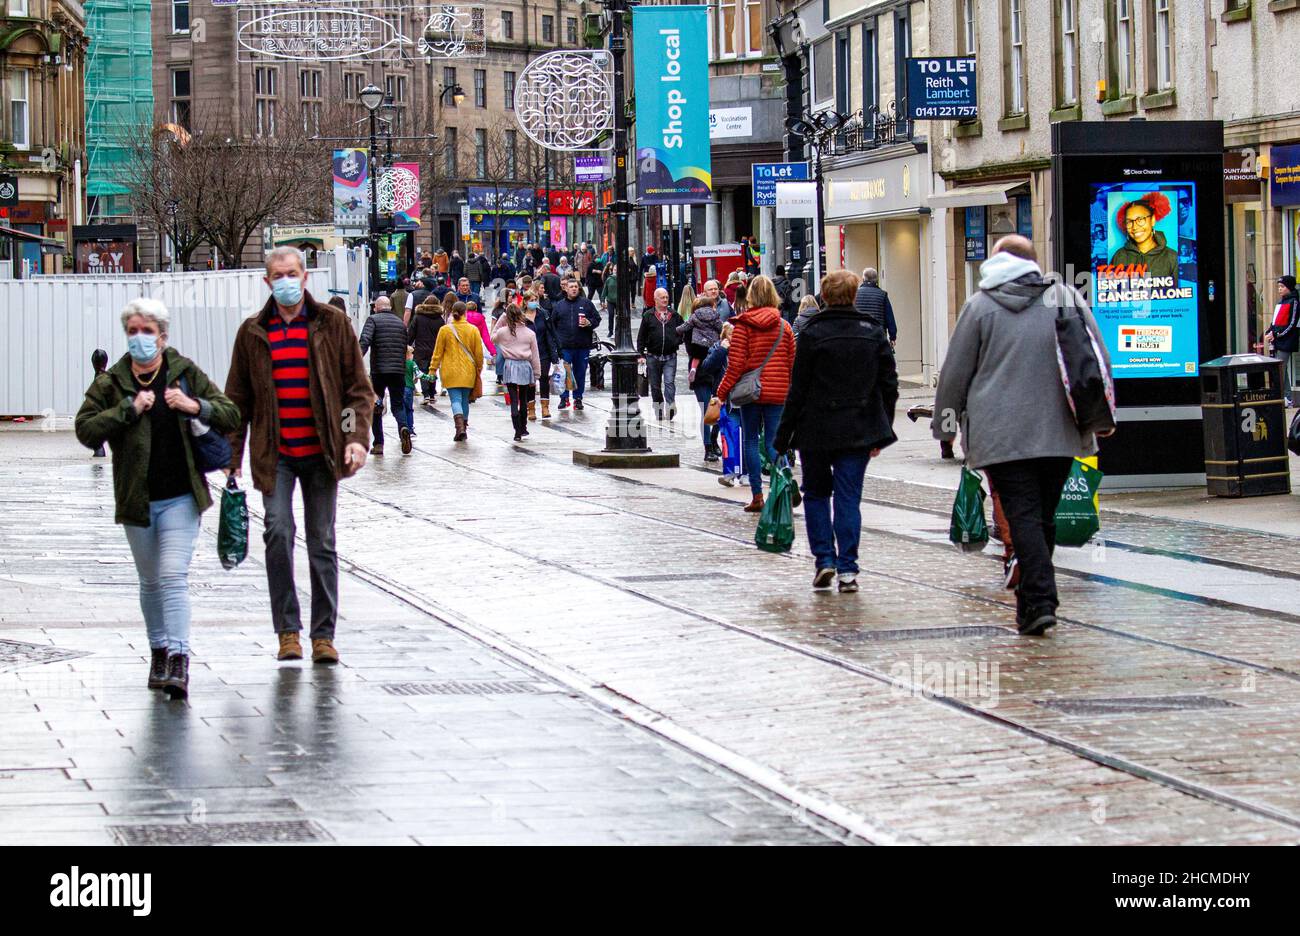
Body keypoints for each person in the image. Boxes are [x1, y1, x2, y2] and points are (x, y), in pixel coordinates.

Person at [933, 234, 1112, 636]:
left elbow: (955, 373)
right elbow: (1097, 357)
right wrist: (1101, 416)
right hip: (1060, 430)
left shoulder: (979, 307)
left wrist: (945, 427)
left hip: (1001, 436)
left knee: (1025, 515)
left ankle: (1041, 599)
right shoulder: (1064, 297)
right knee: (1043, 515)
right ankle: (1033, 604)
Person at [74, 298, 240, 699]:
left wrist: (193, 404)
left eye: (147, 331)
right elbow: (85, 429)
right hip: (137, 499)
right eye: (132, 331)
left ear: (162, 337)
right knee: (150, 582)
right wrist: (128, 410)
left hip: (182, 496)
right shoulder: (112, 382)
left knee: (171, 576)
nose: (139, 338)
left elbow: (230, 413)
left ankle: (180, 661)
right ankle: (159, 651)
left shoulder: (182, 373)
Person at [225, 246, 374, 664]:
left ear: (305, 277)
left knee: (322, 541)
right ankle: (287, 631)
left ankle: (323, 635)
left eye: (293, 273)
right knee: (277, 532)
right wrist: (231, 456)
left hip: (324, 452)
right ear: (267, 281)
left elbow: (355, 390)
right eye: (279, 275)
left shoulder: (332, 323)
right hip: (276, 453)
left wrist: (353, 438)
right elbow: (236, 399)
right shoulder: (253, 331)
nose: (286, 281)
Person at [774, 270, 898, 594]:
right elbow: (889, 385)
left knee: (816, 494)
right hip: (858, 429)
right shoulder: (872, 332)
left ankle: (824, 559)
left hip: (815, 430)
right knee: (848, 498)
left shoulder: (812, 333)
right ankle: (847, 569)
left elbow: (797, 389)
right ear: (854, 294)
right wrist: (882, 427)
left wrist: (782, 436)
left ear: (825, 296)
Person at [713, 275, 796, 513]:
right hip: (778, 392)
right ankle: (787, 481)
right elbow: (792, 363)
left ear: (750, 297)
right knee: (773, 442)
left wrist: (721, 393)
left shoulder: (743, 326)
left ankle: (758, 495)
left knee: (750, 440)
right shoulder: (784, 326)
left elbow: (736, 365)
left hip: (751, 393)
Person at [359, 294, 413, 456]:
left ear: (376, 307)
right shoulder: (400, 323)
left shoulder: (373, 320)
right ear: (389, 307)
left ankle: (379, 444)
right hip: (398, 370)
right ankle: (404, 427)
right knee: (398, 404)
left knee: (375, 405)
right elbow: (405, 345)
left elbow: (365, 340)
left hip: (379, 371)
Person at [430, 301, 484, 441]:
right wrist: (479, 367)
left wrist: (432, 370)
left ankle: (459, 428)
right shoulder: (473, 330)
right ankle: (464, 427)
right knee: (465, 400)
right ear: (465, 313)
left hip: (450, 371)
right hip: (468, 371)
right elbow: (479, 353)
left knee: (455, 400)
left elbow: (437, 353)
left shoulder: (444, 330)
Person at [493, 303, 543, 442]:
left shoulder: (503, 332)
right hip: (525, 366)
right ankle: (523, 427)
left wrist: (502, 318)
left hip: (509, 365)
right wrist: (537, 374)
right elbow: (535, 355)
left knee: (514, 400)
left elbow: (493, 337)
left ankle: (517, 431)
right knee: (524, 398)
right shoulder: (530, 333)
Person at [683, 296, 723, 461]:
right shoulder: (693, 327)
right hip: (703, 372)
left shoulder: (716, 324)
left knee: (718, 409)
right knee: (708, 409)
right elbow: (692, 350)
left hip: (709, 370)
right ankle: (708, 447)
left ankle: (713, 441)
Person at [552, 275, 601, 410]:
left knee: (580, 372)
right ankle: (564, 397)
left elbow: (597, 319)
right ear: (566, 289)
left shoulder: (586, 303)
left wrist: (589, 323)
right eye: (571, 287)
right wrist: (556, 343)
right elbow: (552, 324)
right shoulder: (559, 306)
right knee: (565, 373)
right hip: (565, 346)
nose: (574, 289)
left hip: (582, 346)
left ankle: (578, 398)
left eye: (576, 287)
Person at [637, 287, 685, 420]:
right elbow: (641, 336)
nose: (665, 300)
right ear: (655, 299)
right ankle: (658, 409)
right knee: (655, 386)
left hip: (670, 356)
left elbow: (682, 331)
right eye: (662, 297)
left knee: (669, 382)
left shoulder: (674, 315)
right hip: (653, 356)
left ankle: (670, 406)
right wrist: (640, 354)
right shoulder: (648, 316)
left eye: (666, 297)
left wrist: (677, 341)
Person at [1109, 194, 1178, 277]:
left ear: (1152, 220)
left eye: (1140, 219)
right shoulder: (1119, 257)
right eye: (1129, 222)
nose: (1134, 227)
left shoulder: (1172, 258)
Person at [525, 285, 559, 419]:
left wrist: (555, 353)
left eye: (536, 299)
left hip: (543, 352)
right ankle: (531, 409)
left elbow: (550, 334)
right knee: (530, 382)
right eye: (531, 300)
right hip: (527, 354)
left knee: (544, 378)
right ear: (525, 301)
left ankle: (545, 407)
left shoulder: (543, 314)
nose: (534, 302)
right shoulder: (521, 317)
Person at [407, 295, 445, 407]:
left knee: (422, 371)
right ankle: (432, 394)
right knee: (432, 370)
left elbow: (411, 333)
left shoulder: (418, 317)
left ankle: (426, 394)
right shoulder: (440, 319)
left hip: (420, 349)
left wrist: (408, 344)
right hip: (435, 349)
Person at [1267, 275, 1300, 399]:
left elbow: (1291, 323)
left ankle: (1284, 397)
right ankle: (1286, 397)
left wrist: (1276, 334)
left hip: (1286, 340)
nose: (1279, 289)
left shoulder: (1294, 301)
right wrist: (1269, 331)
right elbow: (1275, 321)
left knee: (1280, 368)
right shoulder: (1281, 302)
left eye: (1282, 286)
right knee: (1281, 368)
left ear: (1289, 287)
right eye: (1278, 287)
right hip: (1278, 339)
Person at [854, 268, 898, 346]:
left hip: (859, 336)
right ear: (876, 280)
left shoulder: (854, 294)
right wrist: (892, 337)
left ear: (863, 278)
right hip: (878, 336)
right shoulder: (882, 295)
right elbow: (889, 318)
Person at [402, 345, 419, 437]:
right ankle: (410, 429)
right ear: (408, 354)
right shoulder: (412, 364)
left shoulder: (398, 363)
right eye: (412, 353)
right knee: (409, 410)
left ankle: (402, 427)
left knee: (401, 409)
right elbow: (419, 375)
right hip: (408, 389)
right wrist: (430, 377)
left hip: (399, 389)